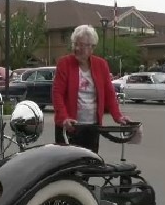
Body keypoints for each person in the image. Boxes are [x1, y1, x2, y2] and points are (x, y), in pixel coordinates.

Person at [52, 24, 130, 153]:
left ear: (92, 47)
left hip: (92, 125)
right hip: (70, 126)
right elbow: (57, 93)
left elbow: (109, 94)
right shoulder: (64, 63)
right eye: (75, 44)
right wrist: (64, 117)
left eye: (81, 45)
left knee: (90, 164)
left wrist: (118, 116)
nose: (77, 48)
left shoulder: (101, 65)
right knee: (68, 167)